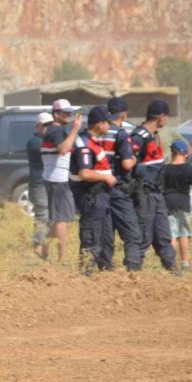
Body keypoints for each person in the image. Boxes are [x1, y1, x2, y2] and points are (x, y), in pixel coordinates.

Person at [130, 100, 179, 274]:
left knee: (163, 235)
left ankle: (173, 269)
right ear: (161, 117)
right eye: (166, 117)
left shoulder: (152, 136)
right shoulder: (139, 137)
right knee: (143, 236)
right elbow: (128, 164)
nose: (166, 121)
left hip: (157, 194)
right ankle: (133, 272)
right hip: (144, 194)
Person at [70, 106, 118, 274]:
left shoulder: (94, 142)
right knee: (91, 239)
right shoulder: (83, 143)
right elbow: (85, 173)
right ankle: (86, 275)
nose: (110, 127)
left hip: (101, 197)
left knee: (106, 239)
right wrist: (106, 178)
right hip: (91, 196)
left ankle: (105, 271)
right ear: (99, 124)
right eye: (107, 123)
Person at [97, 96, 143, 272]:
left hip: (99, 189)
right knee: (132, 233)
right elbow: (125, 164)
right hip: (117, 189)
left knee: (106, 234)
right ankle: (132, 269)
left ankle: (104, 268)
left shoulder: (98, 132)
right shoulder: (120, 134)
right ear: (123, 115)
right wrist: (134, 158)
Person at [41, 99, 82, 263]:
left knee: (59, 217)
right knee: (62, 219)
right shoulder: (57, 131)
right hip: (57, 180)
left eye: (70, 113)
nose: (69, 115)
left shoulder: (54, 130)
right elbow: (63, 149)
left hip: (55, 179)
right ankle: (62, 259)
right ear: (56, 114)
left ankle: (42, 247)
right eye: (66, 113)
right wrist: (75, 130)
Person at [163, 140, 192, 270]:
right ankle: (185, 262)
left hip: (168, 203)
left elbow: (161, 188)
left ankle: (172, 262)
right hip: (183, 203)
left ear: (172, 152)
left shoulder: (166, 169)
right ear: (185, 154)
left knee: (172, 234)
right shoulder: (189, 168)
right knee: (183, 233)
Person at [26, 112, 53, 259]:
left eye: (50, 125)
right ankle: (38, 246)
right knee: (43, 216)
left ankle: (42, 247)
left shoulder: (46, 141)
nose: (48, 128)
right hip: (39, 186)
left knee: (47, 218)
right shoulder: (35, 142)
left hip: (45, 184)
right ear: (38, 126)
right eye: (46, 125)